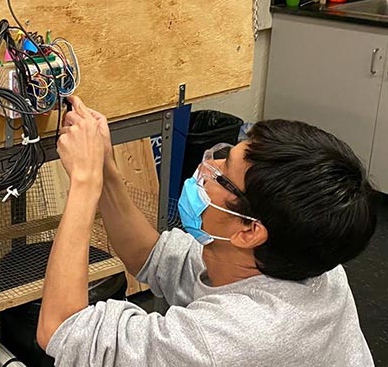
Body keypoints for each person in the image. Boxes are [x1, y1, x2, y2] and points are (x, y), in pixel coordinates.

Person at [37, 96, 376, 366]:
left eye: (223, 171)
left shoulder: (227, 341)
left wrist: (84, 182)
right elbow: (152, 256)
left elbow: (61, 330)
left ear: (249, 231)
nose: (208, 165)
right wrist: (105, 168)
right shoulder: (310, 259)